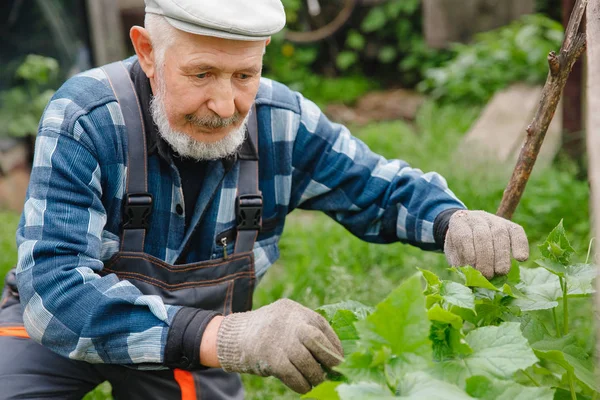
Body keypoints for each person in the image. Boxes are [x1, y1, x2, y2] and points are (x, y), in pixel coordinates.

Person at [0, 0, 529, 398]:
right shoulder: (88, 118)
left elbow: (379, 187)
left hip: (194, 348)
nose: (226, 103)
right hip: (73, 330)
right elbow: (55, 292)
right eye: (202, 73)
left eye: (244, 75)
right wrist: (225, 336)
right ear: (147, 52)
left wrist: (451, 220)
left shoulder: (281, 121)